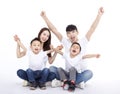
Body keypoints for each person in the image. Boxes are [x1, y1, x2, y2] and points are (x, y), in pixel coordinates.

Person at [41, 7, 104, 88]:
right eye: (69, 33)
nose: (71, 34)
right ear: (67, 35)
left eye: (73, 32)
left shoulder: (83, 41)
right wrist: (45, 17)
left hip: (80, 73)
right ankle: (75, 82)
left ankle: (66, 82)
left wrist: (99, 15)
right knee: (52, 68)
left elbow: (92, 28)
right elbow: (54, 30)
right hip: (67, 73)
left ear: (77, 32)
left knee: (89, 73)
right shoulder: (65, 42)